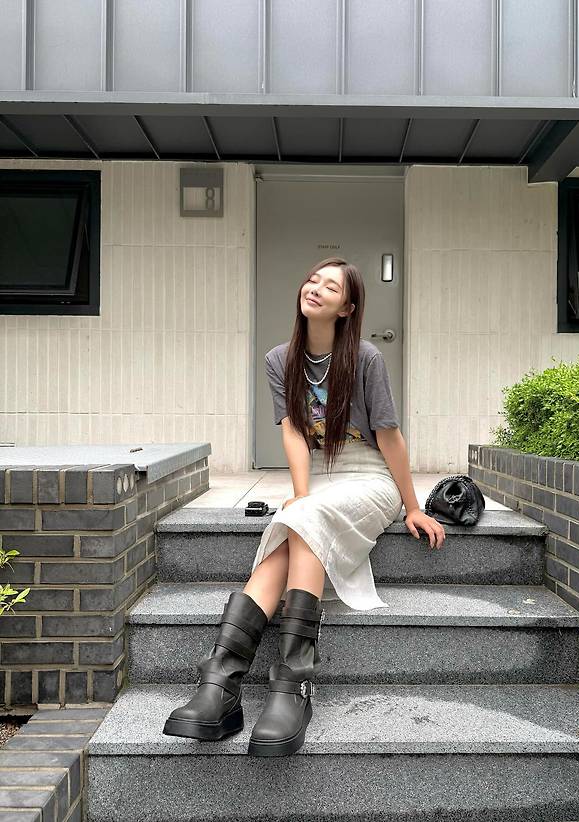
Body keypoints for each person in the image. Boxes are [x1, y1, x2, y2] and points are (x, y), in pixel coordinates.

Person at [163, 256, 446, 756]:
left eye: (330, 287)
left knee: (303, 517)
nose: (315, 288)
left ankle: (285, 684)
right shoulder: (280, 359)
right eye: (313, 279)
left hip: (368, 475)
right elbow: (294, 432)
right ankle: (221, 685)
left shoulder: (365, 359)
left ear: (347, 308)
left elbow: (389, 436)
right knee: (301, 514)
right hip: (317, 475)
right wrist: (300, 491)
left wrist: (413, 505)